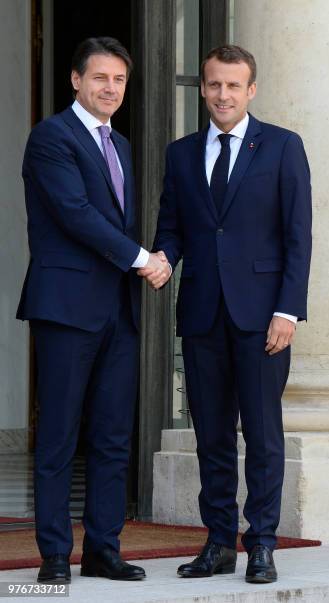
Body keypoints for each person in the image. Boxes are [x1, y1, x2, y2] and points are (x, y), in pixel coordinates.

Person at [141, 45, 311, 583]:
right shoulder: (181, 153)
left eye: (233, 86)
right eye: (214, 85)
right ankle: (218, 542)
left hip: (264, 319)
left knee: (262, 436)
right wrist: (164, 253)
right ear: (203, 89)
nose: (222, 95)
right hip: (201, 316)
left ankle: (261, 542)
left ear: (251, 89)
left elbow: (297, 238)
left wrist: (288, 311)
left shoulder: (283, 147)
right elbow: (172, 224)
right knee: (211, 437)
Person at [17, 37, 169, 583]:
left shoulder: (122, 145)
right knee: (58, 434)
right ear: (75, 81)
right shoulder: (51, 138)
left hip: (118, 311)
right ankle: (55, 554)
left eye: (120, 80)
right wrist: (142, 259)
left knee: (112, 436)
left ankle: (103, 548)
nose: (111, 88)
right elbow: (76, 214)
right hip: (66, 309)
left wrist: (146, 261)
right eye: (100, 78)